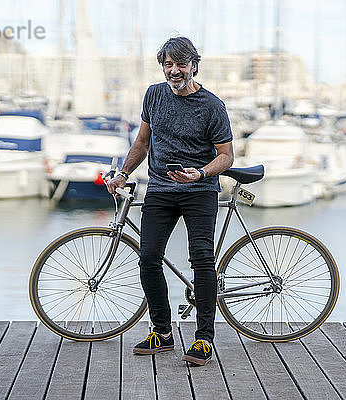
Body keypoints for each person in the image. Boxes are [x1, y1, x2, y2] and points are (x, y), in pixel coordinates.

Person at [106, 36, 234, 366]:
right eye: (168, 65)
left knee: (202, 259)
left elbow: (227, 157)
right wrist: (123, 172)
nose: (174, 71)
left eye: (180, 64)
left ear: (194, 66)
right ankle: (162, 333)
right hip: (161, 189)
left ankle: (204, 338)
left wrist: (200, 174)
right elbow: (142, 142)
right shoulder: (154, 94)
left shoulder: (212, 106)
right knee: (148, 257)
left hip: (199, 191)